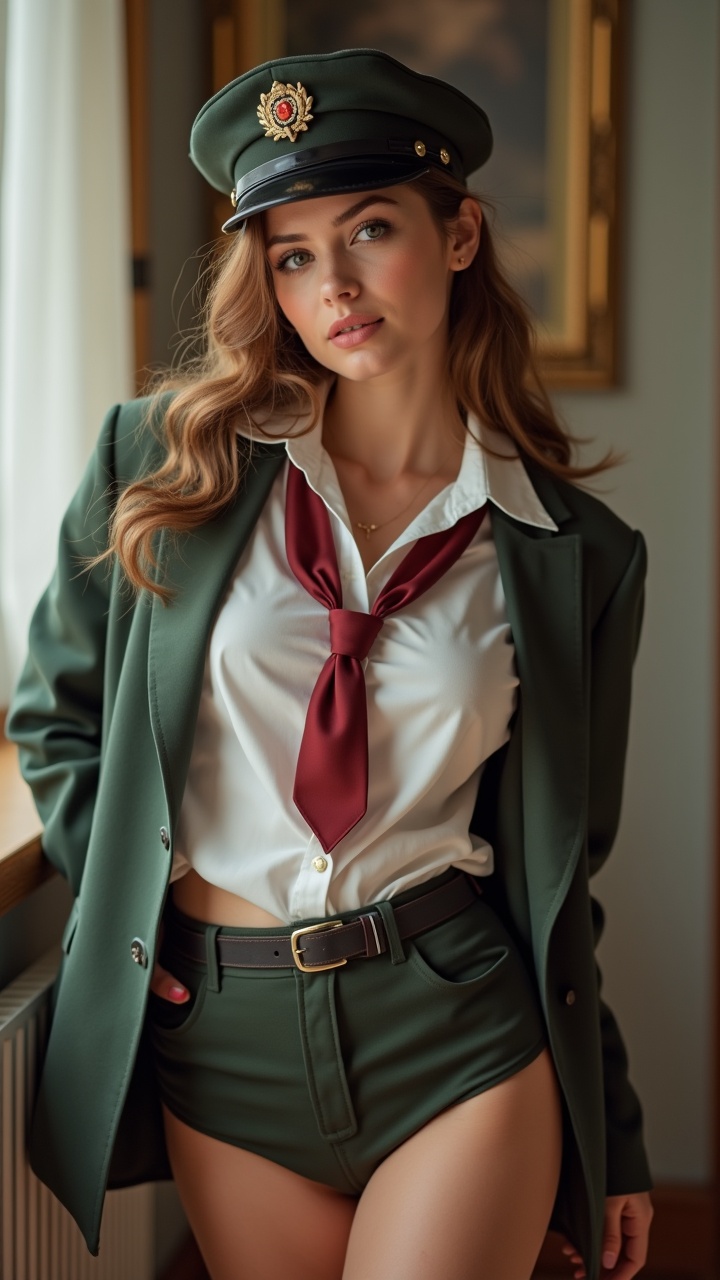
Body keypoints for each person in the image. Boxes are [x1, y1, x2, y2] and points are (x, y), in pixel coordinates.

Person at [6, 48, 653, 1280]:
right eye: (293, 253)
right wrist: (137, 908)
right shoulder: (162, 462)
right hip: (223, 1027)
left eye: (369, 230)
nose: (335, 284)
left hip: (454, 1020)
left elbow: (569, 874)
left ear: (458, 235)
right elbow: (56, 716)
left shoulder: (576, 555)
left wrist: (610, 1129)